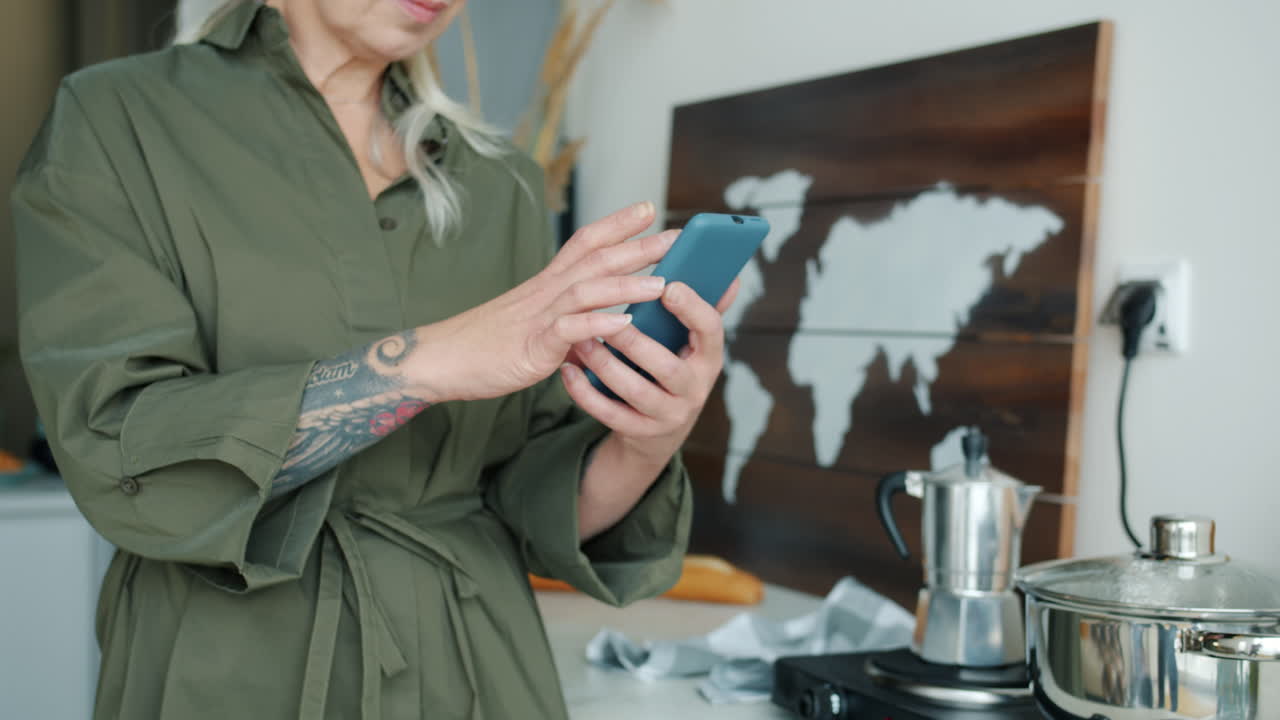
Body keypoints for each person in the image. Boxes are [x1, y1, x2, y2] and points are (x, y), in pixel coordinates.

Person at [11, 1, 737, 718]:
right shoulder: (119, 119)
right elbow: (117, 444)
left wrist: (647, 441)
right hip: (224, 669)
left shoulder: (501, 180)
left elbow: (531, 502)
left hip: (476, 666)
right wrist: (425, 362)